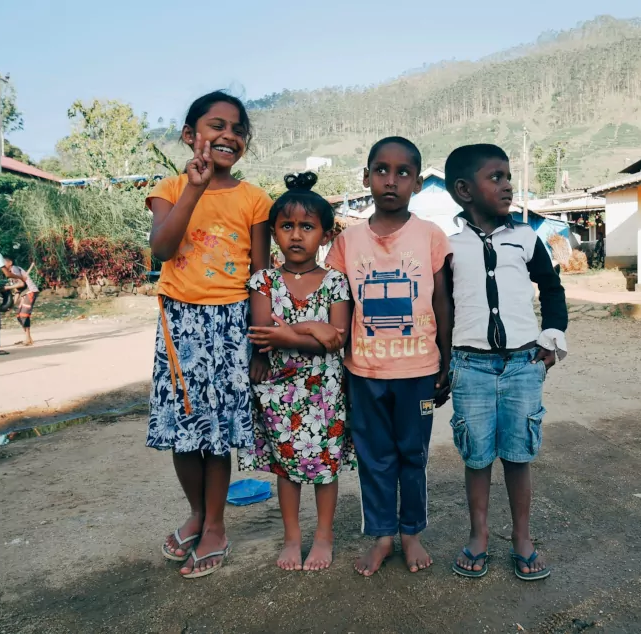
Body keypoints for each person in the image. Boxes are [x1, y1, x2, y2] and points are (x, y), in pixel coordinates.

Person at [146, 91, 272, 580]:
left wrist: (261, 340)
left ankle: (216, 524)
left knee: (219, 433)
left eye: (238, 129)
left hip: (231, 322)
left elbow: (261, 276)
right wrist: (192, 191)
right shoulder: (169, 187)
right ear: (189, 135)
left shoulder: (254, 198)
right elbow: (161, 249)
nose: (229, 135)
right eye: (216, 125)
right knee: (184, 429)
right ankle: (196, 512)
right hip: (180, 322)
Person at [325, 136, 453, 577]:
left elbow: (442, 302)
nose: (391, 180)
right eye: (381, 170)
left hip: (418, 369)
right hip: (364, 371)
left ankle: (411, 532)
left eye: (403, 173)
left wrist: (446, 358)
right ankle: (382, 535)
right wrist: (340, 368)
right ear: (366, 178)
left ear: (417, 182)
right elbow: (338, 307)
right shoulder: (347, 243)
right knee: (373, 455)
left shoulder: (431, 237)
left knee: (412, 454)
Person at [444, 144, 567, 581]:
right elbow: (443, 308)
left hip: (522, 365)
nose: (507, 184)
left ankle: (522, 537)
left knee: (518, 455)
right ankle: (478, 535)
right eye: (495, 177)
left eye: (508, 176)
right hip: (470, 367)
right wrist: (444, 364)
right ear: (464, 190)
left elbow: (552, 290)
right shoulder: (449, 246)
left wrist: (551, 340)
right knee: (476, 457)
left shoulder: (527, 238)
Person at [241, 172, 355, 572]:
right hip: (280, 392)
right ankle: (292, 537)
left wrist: (292, 333)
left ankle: (323, 536)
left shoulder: (336, 282)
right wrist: (313, 330)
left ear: (325, 235)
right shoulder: (263, 281)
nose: (296, 235)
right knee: (286, 469)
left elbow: (338, 339)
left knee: (324, 468)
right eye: (287, 226)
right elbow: (263, 332)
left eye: (307, 227)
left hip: (325, 392)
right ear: (274, 233)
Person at [2, 256, 39, 347]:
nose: (2, 264)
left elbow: (21, 283)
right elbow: (18, 291)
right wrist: (11, 305)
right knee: (19, 316)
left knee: (24, 315)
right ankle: (28, 338)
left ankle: (28, 339)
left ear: (10, 262)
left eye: (4, 262)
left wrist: (7, 287)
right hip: (24, 294)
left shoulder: (14, 269)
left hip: (30, 291)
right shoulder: (10, 275)